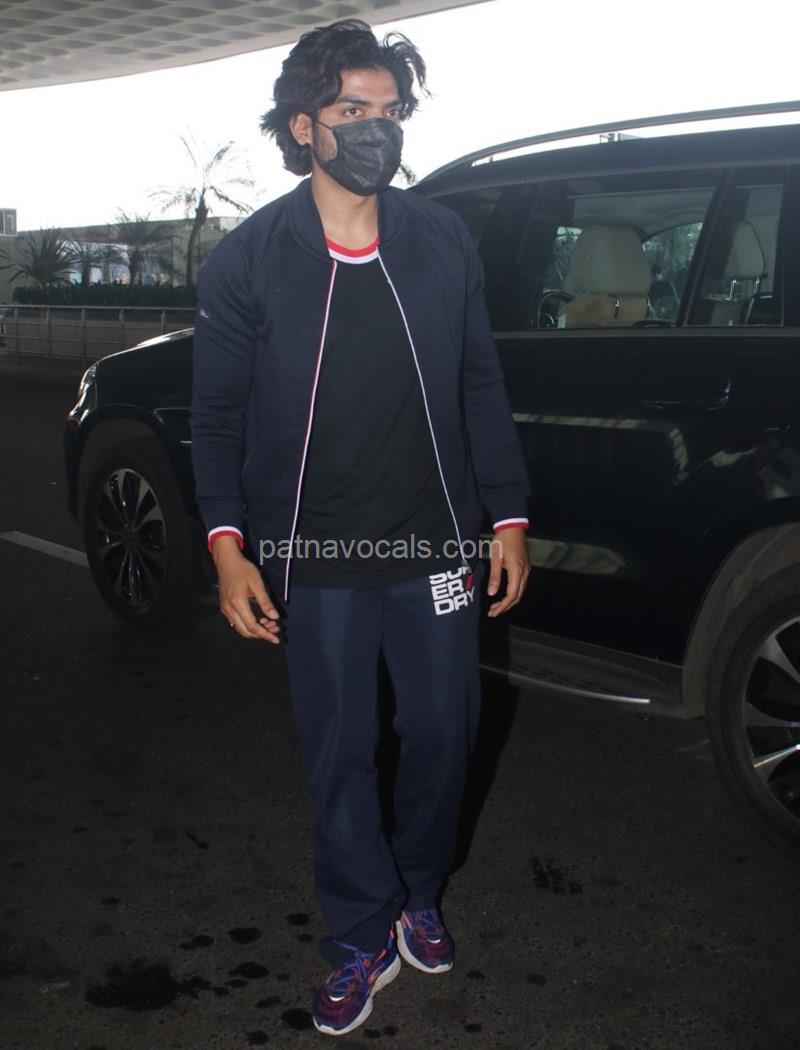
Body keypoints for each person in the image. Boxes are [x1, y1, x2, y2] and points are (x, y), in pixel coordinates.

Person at [190, 18, 531, 1038]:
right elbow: (217, 417)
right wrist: (226, 546)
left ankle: (418, 890)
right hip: (318, 554)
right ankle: (356, 931)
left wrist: (507, 516)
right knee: (339, 752)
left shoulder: (440, 240)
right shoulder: (250, 259)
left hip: (430, 544)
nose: (376, 128)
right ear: (304, 126)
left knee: (442, 734)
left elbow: (479, 384)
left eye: (390, 110)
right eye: (352, 110)